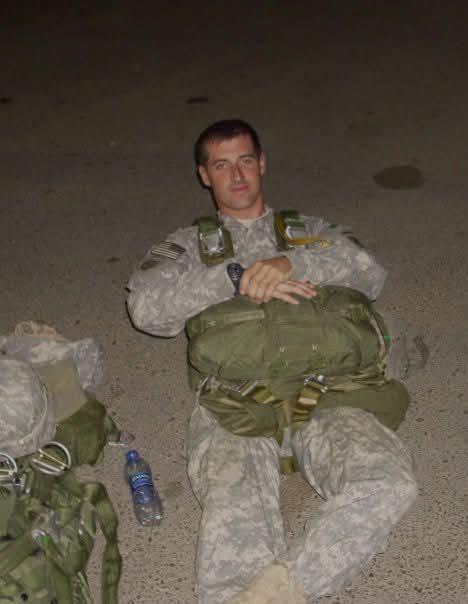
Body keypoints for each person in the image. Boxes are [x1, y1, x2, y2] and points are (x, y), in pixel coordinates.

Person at [127, 120, 417, 603]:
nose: (237, 175)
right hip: (235, 403)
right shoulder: (185, 246)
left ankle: (283, 589)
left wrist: (292, 263)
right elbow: (146, 310)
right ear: (205, 175)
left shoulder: (309, 231)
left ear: (261, 164)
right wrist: (234, 277)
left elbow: (370, 271)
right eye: (222, 165)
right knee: (234, 529)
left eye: (245, 160)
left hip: (332, 392)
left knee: (387, 483)